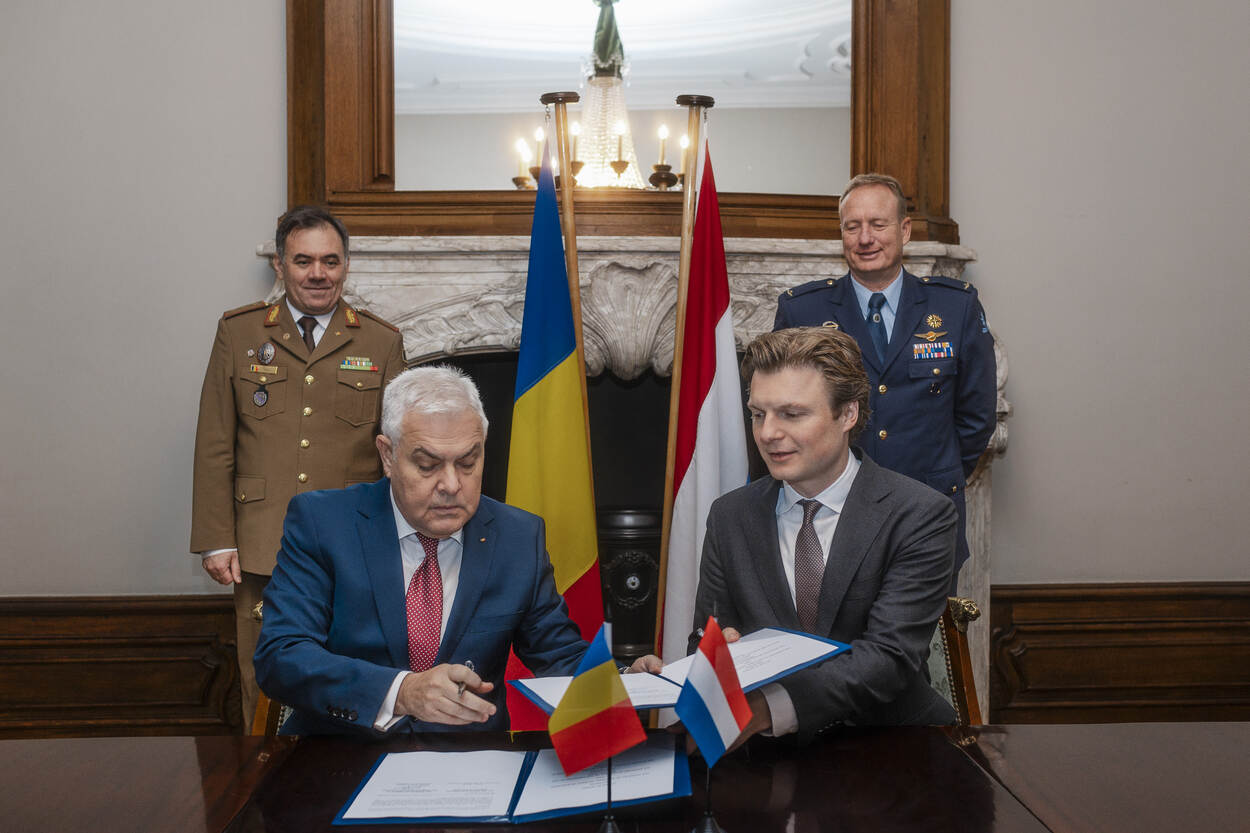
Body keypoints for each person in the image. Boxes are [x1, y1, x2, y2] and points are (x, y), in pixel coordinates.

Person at [635, 327, 957, 744]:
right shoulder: (730, 516)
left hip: (890, 747)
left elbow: (888, 659)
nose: (768, 433)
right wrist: (682, 673)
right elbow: (708, 641)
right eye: (758, 414)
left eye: (791, 414)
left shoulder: (920, 515)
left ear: (848, 414)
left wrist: (768, 710)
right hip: (766, 755)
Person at [253, 365, 587, 736]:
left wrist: (624, 679)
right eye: (428, 465)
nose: (451, 485)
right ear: (387, 455)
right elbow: (281, 657)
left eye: (468, 462)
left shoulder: (518, 536)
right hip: (344, 755)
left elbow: (560, 656)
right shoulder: (323, 523)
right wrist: (402, 692)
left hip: (468, 760)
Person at [190, 205, 406, 731]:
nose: (318, 273)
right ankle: (262, 777)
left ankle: (342, 775)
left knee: (351, 677)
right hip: (263, 542)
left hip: (354, 547)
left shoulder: (381, 341)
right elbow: (216, 440)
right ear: (280, 266)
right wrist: (217, 539)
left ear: (346, 265)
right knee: (262, 678)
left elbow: (398, 455)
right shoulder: (239, 333)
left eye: (330, 261)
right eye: (303, 261)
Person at [773, 173, 995, 590]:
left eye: (878, 224)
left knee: (923, 631)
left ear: (904, 230)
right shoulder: (802, 311)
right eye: (852, 226)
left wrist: (935, 473)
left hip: (927, 512)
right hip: (830, 516)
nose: (865, 238)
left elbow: (976, 418)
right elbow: (781, 413)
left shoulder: (955, 307)